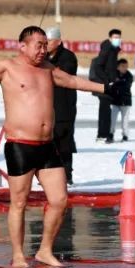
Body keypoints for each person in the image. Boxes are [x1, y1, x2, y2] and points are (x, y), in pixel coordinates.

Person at [0, 26, 123, 267]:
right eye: (38, 45)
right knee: (19, 203)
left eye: (45, 45)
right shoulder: (8, 67)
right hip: (21, 147)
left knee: (59, 200)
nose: (43, 50)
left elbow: (72, 81)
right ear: (22, 46)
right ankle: (18, 255)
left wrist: (106, 88)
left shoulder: (48, 69)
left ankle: (44, 250)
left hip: (47, 146)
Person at [46, 26, 78, 185]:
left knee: (64, 142)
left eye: (49, 41)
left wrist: (47, 67)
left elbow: (63, 76)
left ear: (58, 42)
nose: (46, 44)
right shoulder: (43, 57)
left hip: (64, 106)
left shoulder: (68, 57)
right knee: (48, 142)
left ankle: (67, 174)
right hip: (46, 106)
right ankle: (49, 175)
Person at [88, 28, 121, 142]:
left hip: (108, 84)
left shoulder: (113, 49)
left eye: (119, 37)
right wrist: (107, 81)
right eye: (115, 37)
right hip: (104, 85)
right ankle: (102, 135)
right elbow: (98, 66)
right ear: (110, 38)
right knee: (104, 111)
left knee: (106, 111)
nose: (117, 39)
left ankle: (105, 135)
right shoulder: (107, 48)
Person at [108, 59, 133, 142]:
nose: (125, 68)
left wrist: (117, 83)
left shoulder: (129, 75)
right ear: (118, 67)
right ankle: (111, 134)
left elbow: (126, 86)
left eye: (126, 66)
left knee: (125, 120)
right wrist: (116, 84)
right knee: (112, 119)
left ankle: (125, 135)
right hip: (115, 101)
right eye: (122, 66)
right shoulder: (113, 74)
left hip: (125, 102)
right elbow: (111, 85)